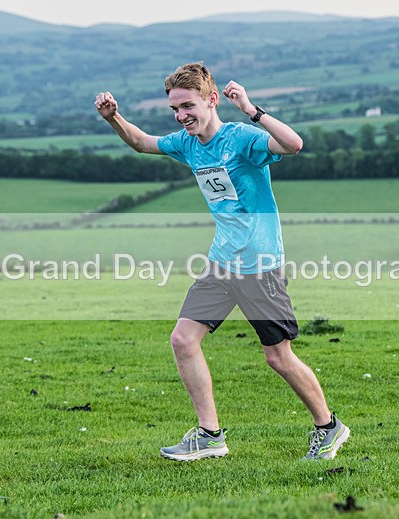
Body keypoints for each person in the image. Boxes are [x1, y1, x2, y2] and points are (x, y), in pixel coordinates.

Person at [94, 62, 349, 461]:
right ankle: (210, 435)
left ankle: (328, 427)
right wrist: (114, 119)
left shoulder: (242, 138)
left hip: (260, 265)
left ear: (212, 100)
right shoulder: (187, 143)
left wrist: (251, 109)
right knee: (183, 339)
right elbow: (142, 142)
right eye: (175, 109)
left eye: (188, 106)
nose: (181, 116)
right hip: (221, 263)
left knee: (277, 357)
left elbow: (293, 144)